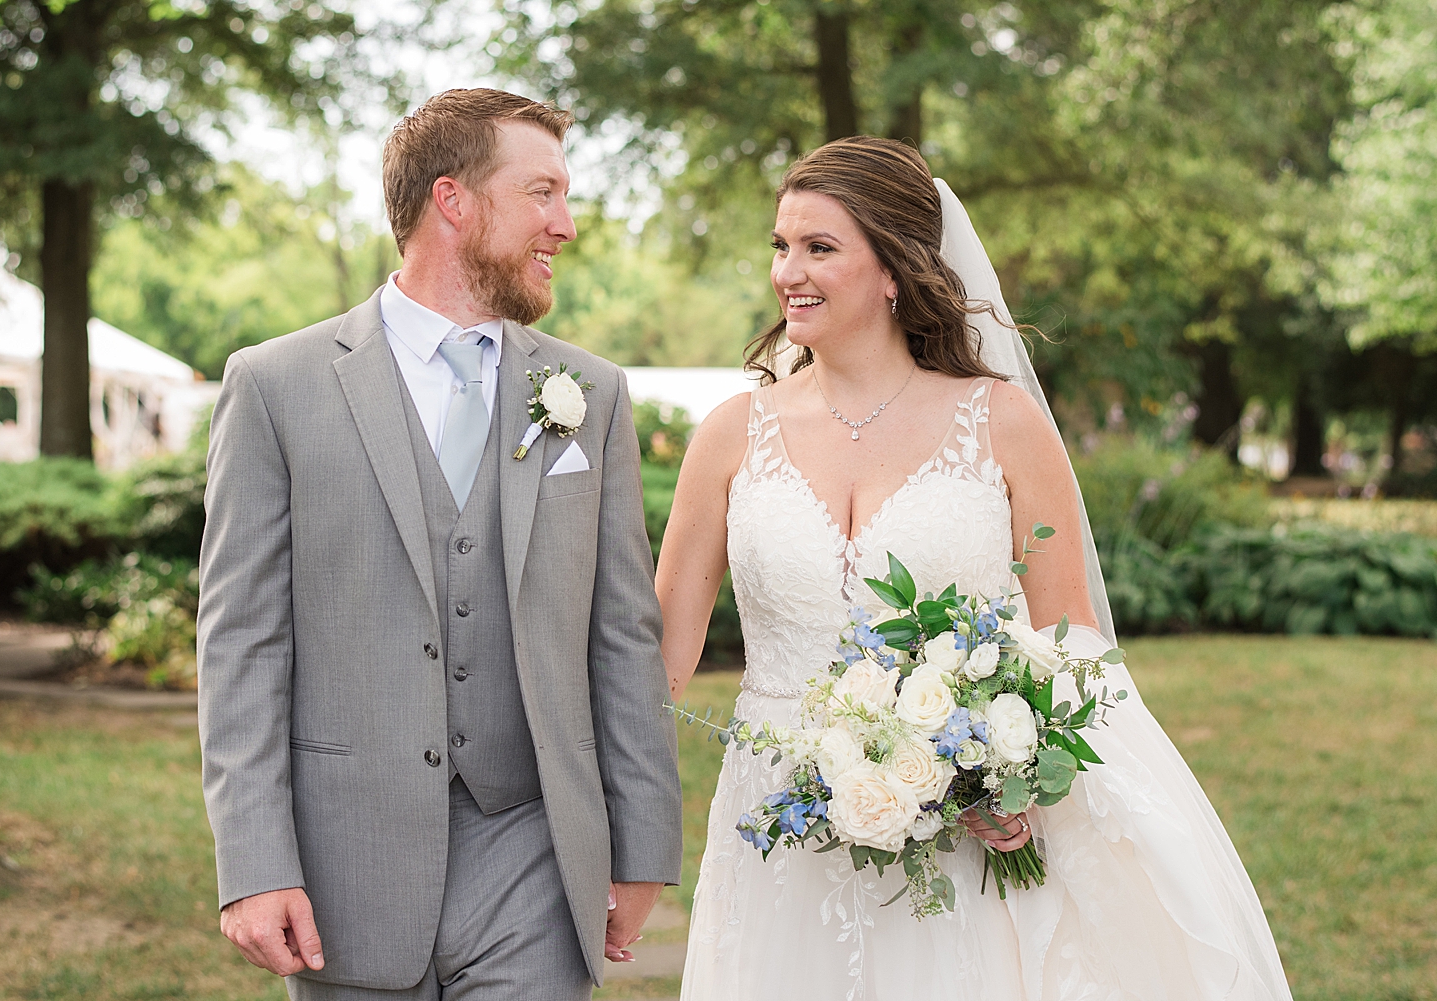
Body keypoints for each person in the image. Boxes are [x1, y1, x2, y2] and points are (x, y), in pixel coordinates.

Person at [658, 136, 1293, 1000]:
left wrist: (1012, 767)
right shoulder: (731, 434)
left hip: (953, 821)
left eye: (819, 247)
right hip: (778, 819)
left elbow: (1071, 633)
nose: (787, 271)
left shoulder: (999, 421)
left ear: (894, 269)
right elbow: (661, 651)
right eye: (780, 245)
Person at [196, 88, 681, 1001]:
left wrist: (643, 842)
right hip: (346, 862)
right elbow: (241, 643)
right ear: (453, 200)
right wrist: (254, 860)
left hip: (533, 853)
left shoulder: (592, 393)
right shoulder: (275, 386)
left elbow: (621, 632)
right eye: (542, 194)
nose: (565, 225)